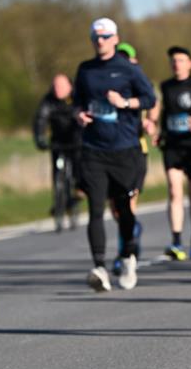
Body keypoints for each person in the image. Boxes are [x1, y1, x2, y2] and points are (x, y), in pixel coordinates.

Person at [73, 18, 156, 292]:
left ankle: (129, 256)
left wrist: (125, 103)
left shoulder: (128, 70)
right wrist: (79, 114)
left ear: (115, 38)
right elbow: (77, 102)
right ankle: (99, 266)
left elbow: (149, 99)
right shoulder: (85, 70)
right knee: (96, 209)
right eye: (96, 37)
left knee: (124, 209)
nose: (100, 41)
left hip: (125, 150)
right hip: (94, 150)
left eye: (105, 37)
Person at [158, 46, 191, 260]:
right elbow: (161, 112)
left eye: (180, 60)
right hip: (173, 145)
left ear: (190, 63)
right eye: (173, 61)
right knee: (174, 190)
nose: (176, 64)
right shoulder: (165, 87)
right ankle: (177, 240)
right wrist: (158, 131)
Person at [110, 41, 154, 272]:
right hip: (110, 151)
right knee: (116, 208)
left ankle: (122, 253)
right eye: (120, 57)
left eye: (128, 57)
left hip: (136, 150)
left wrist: (150, 121)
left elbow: (153, 102)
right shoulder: (110, 81)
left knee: (128, 200)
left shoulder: (137, 80)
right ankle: (131, 231)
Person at [33, 73, 82, 230]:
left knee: (78, 175)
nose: (58, 90)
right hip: (58, 144)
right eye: (55, 86)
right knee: (58, 177)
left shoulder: (78, 98)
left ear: (70, 86)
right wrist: (40, 138)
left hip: (76, 143)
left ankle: (75, 199)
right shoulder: (48, 101)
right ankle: (59, 207)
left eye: (61, 86)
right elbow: (40, 119)